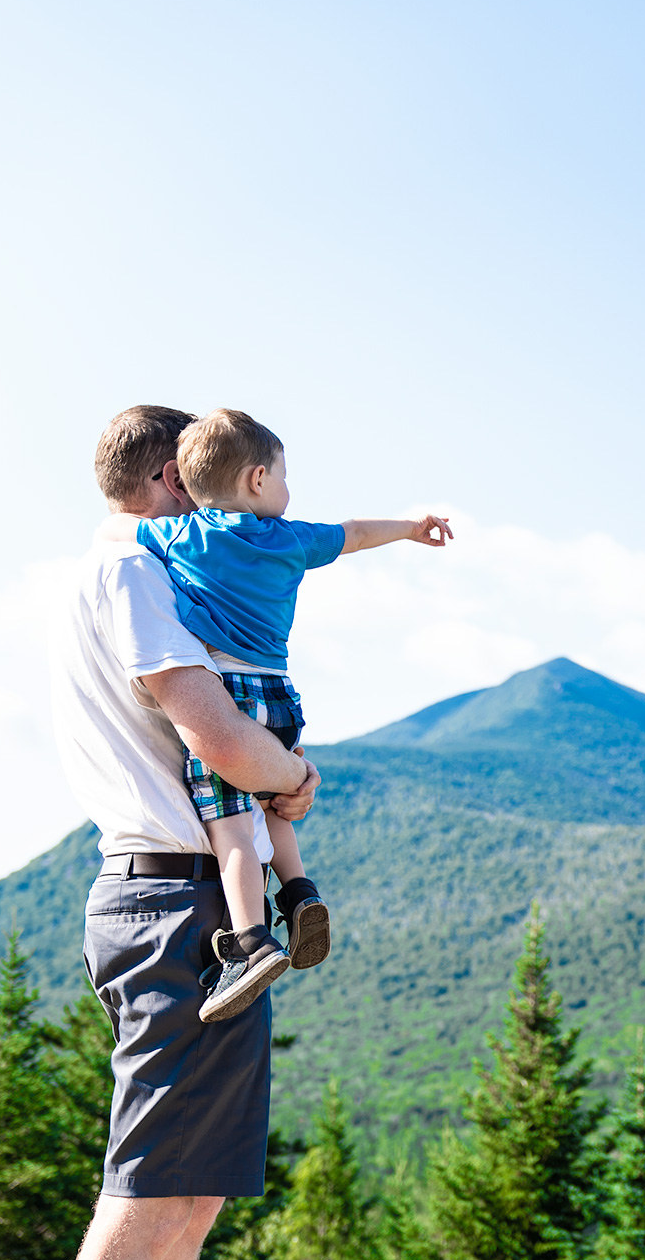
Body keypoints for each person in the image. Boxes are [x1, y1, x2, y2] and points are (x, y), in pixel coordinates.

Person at [29, 406, 321, 1260]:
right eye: (194, 488)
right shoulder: (133, 571)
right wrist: (294, 778)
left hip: (180, 894)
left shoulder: (118, 570)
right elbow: (212, 731)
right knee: (145, 1203)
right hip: (170, 901)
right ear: (163, 479)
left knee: (182, 1207)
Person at [100, 407, 453, 1022]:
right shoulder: (291, 539)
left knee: (232, 827)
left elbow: (117, 530)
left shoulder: (183, 538)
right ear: (258, 479)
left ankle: (250, 943)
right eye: (287, 478)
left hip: (227, 690)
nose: (291, 493)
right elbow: (353, 532)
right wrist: (410, 526)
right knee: (275, 801)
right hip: (281, 696)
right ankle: (298, 890)